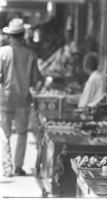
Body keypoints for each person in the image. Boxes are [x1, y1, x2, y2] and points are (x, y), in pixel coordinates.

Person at [0, 18, 42, 177]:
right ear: (23, 35)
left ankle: (7, 168)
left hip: (4, 99)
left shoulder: (2, 52)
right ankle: (18, 167)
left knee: (5, 134)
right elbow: (36, 79)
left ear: (10, 35)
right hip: (23, 100)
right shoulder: (31, 54)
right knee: (22, 133)